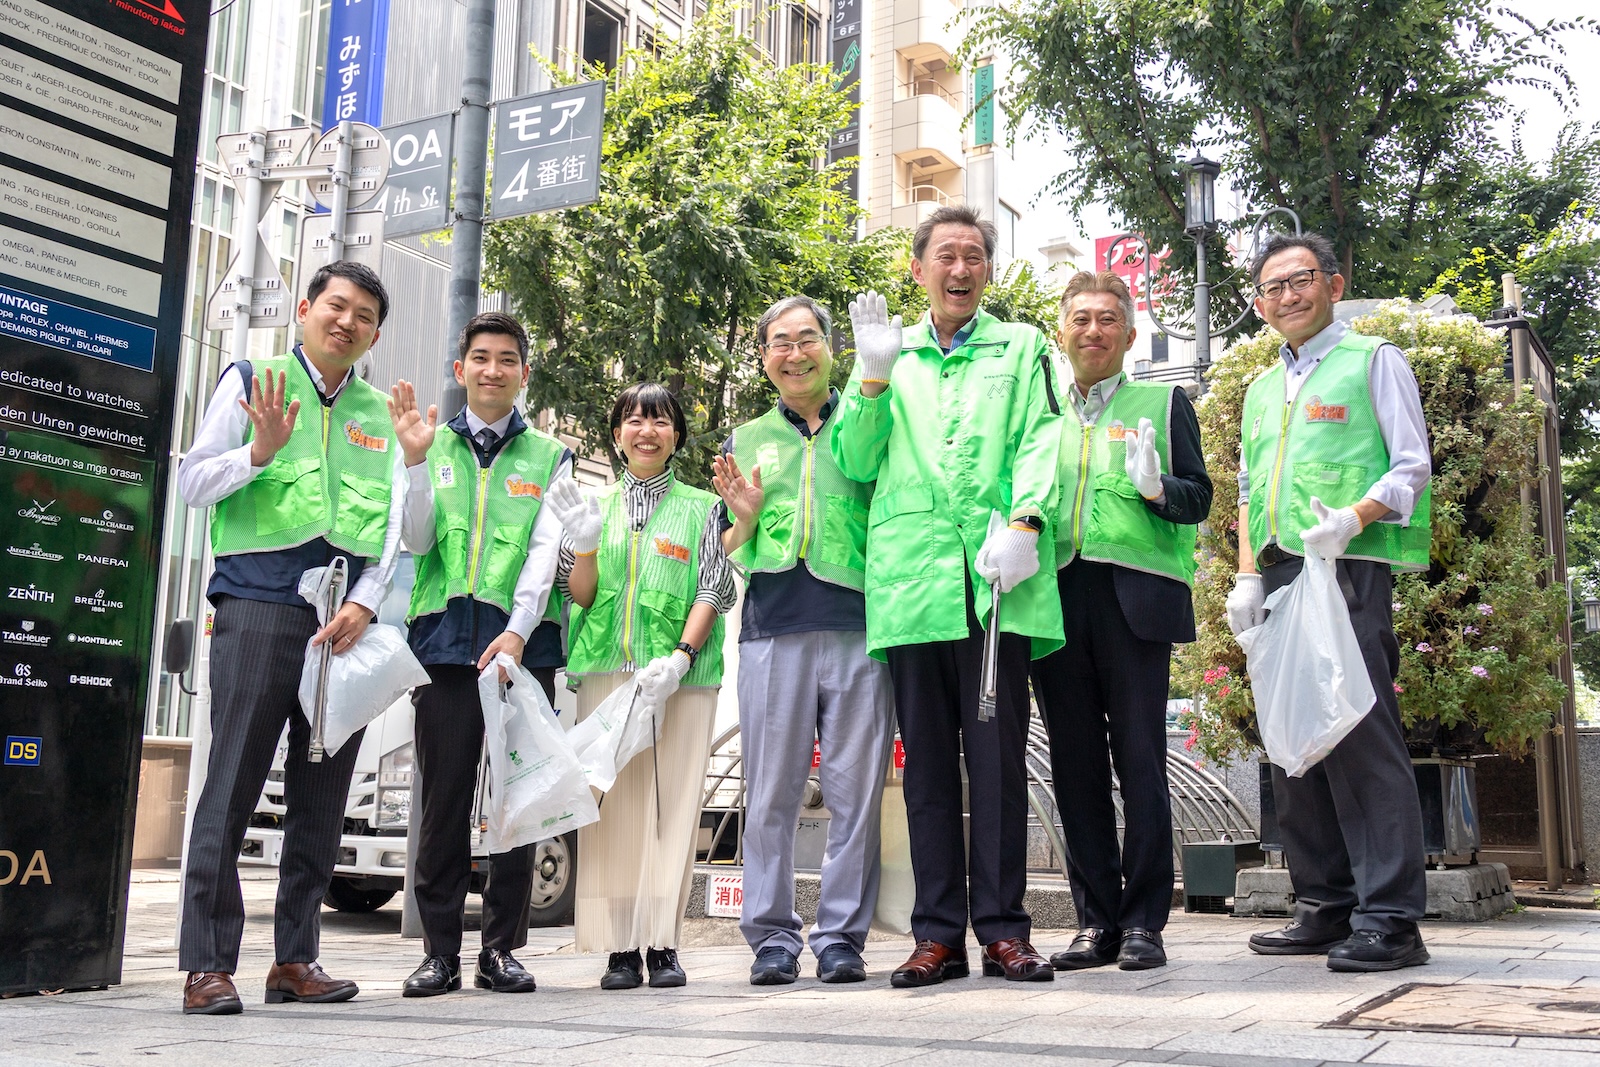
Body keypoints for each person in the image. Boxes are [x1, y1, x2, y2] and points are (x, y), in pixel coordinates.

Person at [831, 205, 1064, 987]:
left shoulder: (1022, 345)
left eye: (973, 257)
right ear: (917, 267)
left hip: (994, 580)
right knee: (926, 766)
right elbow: (857, 463)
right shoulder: (887, 356)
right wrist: (868, 378)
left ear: (987, 272)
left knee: (997, 762)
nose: (959, 270)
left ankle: (1003, 929)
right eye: (945, 256)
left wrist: (1029, 520)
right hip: (910, 581)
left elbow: (1040, 436)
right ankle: (936, 933)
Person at [175, 262, 405, 1015]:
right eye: (336, 306)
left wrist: (368, 603)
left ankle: (295, 957)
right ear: (306, 308)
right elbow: (192, 481)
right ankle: (207, 963)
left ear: (374, 332)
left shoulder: (378, 413)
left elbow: (394, 535)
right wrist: (259, 454)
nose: (347, 321)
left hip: (343, 624)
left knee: (323, 794)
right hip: (259, 604)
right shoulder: (252, 377)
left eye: (364, 314)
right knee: (233, 781)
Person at [1226, 232, 1432, 971]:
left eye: (1301, 279)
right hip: (1281, 575)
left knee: (1361, 735)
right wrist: (1246, 574)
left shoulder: (1373, 361)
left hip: (1349, 569)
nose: (1288, 294)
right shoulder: (1258, 388)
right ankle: (1325, 903)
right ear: (1257, 304)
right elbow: (1250, 490)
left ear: (1334, 284)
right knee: (1295, 740)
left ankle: (1393, 919)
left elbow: (1411, 466)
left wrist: (1354, 518)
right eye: (1273, 286)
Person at [1030, 272, 1212, 972]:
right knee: (1074, 765)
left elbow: (1198, 498)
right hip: (1056, 594)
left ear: (1130, 335)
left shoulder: (1163, 402)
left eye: (1109, 319)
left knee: (1140, 763)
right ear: (1063, 332)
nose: (1094, 331)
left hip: (1135, 600)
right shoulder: (1040, 416)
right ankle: (1095, 920)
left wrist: (1157, 486)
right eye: (1081, 319)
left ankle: (1144, 923)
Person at [711, 296, 894, 986]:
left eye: (807, 338)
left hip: (861, 623)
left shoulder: (871, 418)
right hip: (772, 625)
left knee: (855, 791)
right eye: (779, 342)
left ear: (831, 347)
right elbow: (722, 546)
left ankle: (842, 934)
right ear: (764, 358)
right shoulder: (744, 436)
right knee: (771, 793)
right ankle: (772, 935)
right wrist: (744, 520)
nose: (794, 352)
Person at [389, 311, 573, 997]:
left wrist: (519, 633)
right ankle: (439, 950)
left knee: (518, 799)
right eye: (480, 357)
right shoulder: (428, 442)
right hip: (442, 645)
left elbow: (543, 554)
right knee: (443, 799)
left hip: (524, 649)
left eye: (506, 359)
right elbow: (414, 540)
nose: (492, 369)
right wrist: (412, 463)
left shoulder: (550, 455)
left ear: (525, 373)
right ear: (461, 366)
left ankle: (501, 949)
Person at [545, 382, 737, 990]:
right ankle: (620, 947)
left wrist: (682, 656)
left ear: (676, 434)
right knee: (612, 811)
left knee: (674, 807)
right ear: (616, 434)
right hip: (608, 673)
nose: (645, 431)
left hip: (682, 680)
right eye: (633, 420)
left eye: (658, 421)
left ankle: (664, 943)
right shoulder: (590, 503)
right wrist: (587, 545)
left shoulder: (704, 507)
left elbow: (713, 585)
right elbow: (577, 595)